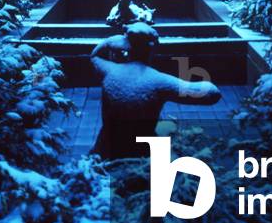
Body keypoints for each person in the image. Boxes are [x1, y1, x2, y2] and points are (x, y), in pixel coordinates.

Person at [90, 22, 221, 159]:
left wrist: (109, 41)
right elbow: (213, 93)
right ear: (153, 49)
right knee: (169, 131)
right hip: (140, 152)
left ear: (126, 46)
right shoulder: (159, 81)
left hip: (107, 147)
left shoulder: (110, 71)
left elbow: (95, 56)